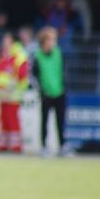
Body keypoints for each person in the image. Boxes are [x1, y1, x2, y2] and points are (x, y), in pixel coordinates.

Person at [32, 27, 70, 156]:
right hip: (46, 94)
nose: (53, 42)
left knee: (60, 121)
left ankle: (62, 146)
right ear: (44, 41)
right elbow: (34, 76)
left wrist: (63, 87)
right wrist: (42, 91)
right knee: (45, 121)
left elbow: (63, 71)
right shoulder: (37, 56)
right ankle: (44, 147)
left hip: (59, 92)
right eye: (51, 40)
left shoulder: (58, 53)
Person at [0, 32, 30, 153]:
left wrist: (11, 85)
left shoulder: (19, 55)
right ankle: (3, 144)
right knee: (3, 118)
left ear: (13, 41)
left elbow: (22, 75)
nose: (4, 42)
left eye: (6, 39)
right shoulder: (4, 55)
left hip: (13, 93)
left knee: (12, 118)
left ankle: (16, 145)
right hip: (3, 93)